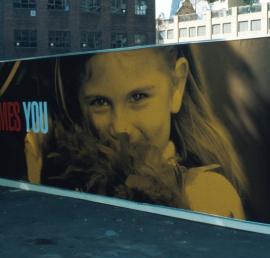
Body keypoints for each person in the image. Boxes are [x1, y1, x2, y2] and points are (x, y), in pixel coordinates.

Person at [25, 45, 248, 219]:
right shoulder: (74, 179)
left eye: (138, 97)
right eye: (99, 102)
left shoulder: (206, 195)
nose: (120, 127)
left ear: (177, 85)